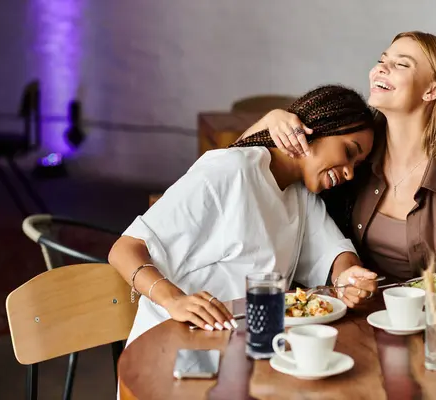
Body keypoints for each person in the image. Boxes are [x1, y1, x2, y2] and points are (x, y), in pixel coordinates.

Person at [238, 32, 436, 287]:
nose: (379, 68)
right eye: (381, 60)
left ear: (433, 91)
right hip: (341, 321)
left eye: (401, 64)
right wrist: (271, 122)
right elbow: (244, 174)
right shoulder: (350, 153)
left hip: (428, 331)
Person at [108, 85, 379, 344]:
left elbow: (334, 253)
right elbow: (125, 249)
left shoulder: (300, 195)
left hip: (240, 348)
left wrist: (349, 277)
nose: (350, 173)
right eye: (348, 151)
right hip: (174, 343)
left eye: (357, 165)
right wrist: (173, 300)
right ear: (317, 127)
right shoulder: (231, 171)